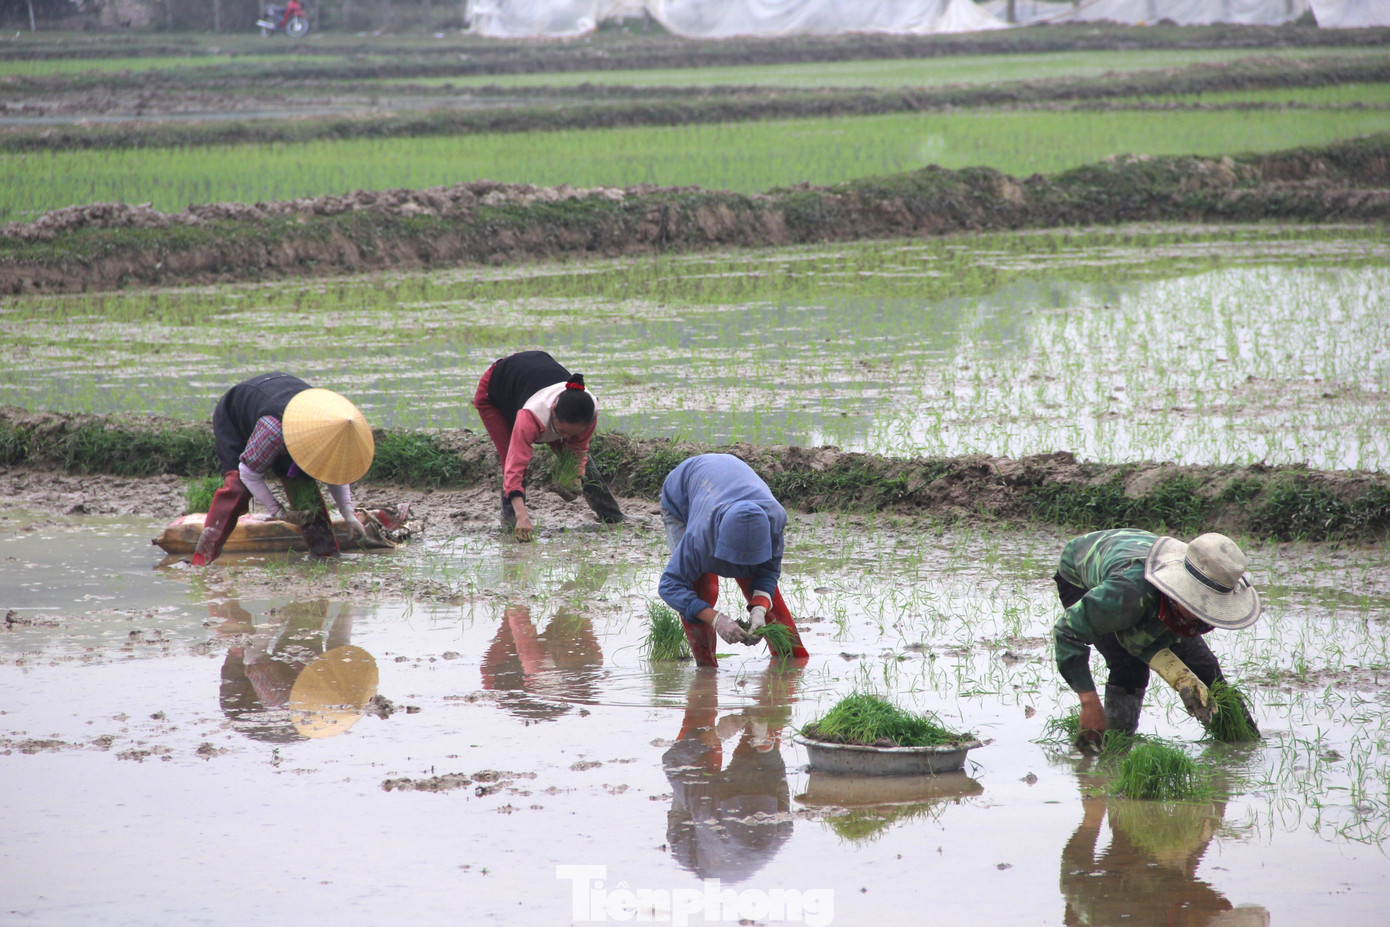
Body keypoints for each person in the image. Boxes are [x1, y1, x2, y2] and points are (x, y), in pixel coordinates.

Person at [1052, 529, 1261, 748]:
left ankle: (1244, 743)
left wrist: (1181, 678)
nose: (1203, 618)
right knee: (1128, 666)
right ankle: (1111, 752)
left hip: (1142, 570)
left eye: (1210, 609)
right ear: (1180, 591)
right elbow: (1067, 631)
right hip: (1082, 574)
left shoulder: (1207, 571)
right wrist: (1089, 702)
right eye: (1199, 605)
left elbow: (1143, 637)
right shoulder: (1127, 593)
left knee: (1204, 666)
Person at [192, 372, 374, 566]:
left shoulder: (330, 426)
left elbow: (332, 471)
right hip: (238, 415)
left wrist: (347, 513)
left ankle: (325, 556)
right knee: (237, 487)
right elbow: (249, 473)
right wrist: (277, 511)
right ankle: (202, 560)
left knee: (303, 489)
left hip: (288, 407)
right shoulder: (274, 431)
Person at [658, 453, 808, 667]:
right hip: (681, 497)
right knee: (701, 588)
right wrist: (716, 619)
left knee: (764, 593)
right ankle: (706, 668)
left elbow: (768, 571)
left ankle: (793, 662)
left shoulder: (774, 520)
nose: (739, 569)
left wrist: (760, 608)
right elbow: (670, 585)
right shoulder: (699, 536)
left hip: (727, 484)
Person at [472, 350, 624, 542]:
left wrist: (575, 477)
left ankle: (611, 515)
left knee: (576, 457)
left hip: (533, 381)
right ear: (553, 411)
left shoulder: (588, 411)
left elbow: (578, 450)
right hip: (495, 391)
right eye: (563, 431)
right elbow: (515, 467)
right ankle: (513, 524)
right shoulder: (530, 417)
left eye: (573, 433)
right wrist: (523, 515)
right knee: (510, 457)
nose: (566, 437)